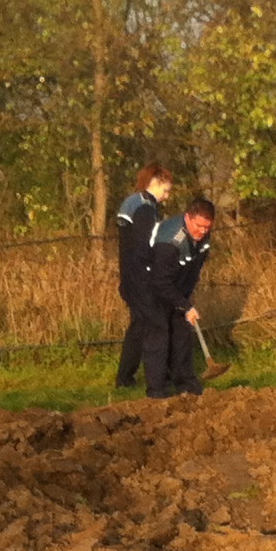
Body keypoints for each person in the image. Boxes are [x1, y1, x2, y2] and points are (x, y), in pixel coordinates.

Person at [140, 195, 218, 398]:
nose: (202, 232)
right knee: (159, 336)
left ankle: (187, 387)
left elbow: (193, 269)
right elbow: (159, 281)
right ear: (188, 218)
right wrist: (183, 304)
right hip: (151, 287)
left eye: (206, 228)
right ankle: (157, 393)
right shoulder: (169, 241)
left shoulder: (203, 238)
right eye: (198, 226)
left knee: (182, 335)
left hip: (176, 287)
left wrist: (185, 302)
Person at [112, 164, 175, 389]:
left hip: (129, 276)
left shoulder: (131, 203)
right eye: (166, 190)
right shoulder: (147, 208)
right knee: (157, 325)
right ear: (155, 182)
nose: (166, 197)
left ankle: (124, 378)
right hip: (142, 279)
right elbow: (145, 246)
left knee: (139, 327)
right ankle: (158, 381)